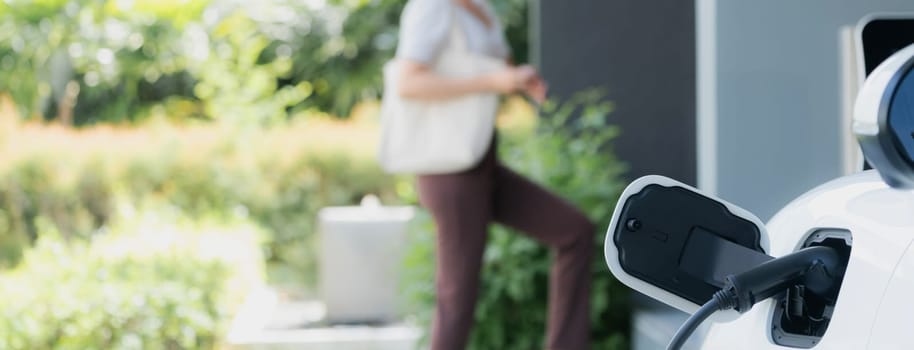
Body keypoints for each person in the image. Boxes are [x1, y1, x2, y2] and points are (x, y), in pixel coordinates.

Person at [395, 0, 595, 349]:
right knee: (457, 298)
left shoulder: (481, 7)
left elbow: (496, 69)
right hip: (449, 169)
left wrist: (519, 79)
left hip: (482, 162)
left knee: (575, 231)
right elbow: (409, 82)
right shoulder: (432, 6)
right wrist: (497, 79)